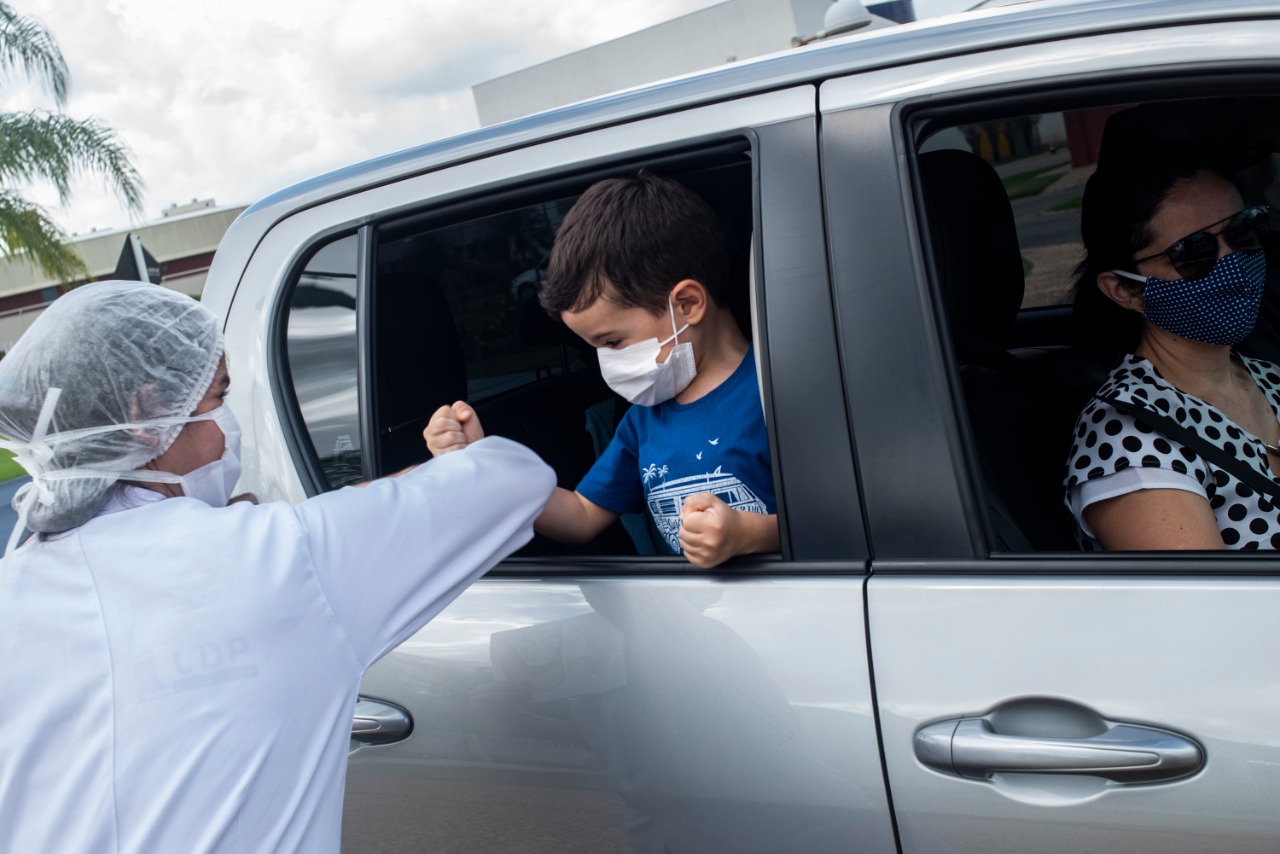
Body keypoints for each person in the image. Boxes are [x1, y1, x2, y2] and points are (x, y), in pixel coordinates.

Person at [0, 281, 555, 852]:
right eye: (218, 396)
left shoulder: (12, 590)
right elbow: (513, 478)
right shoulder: (278, 558)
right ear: (147, 414)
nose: (228, 425)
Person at [426, 172, 778, 568]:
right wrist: (482, 462)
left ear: (687, 305)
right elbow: (581, 514)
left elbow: (843, 519)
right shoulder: (643, 419)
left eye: (612, 343)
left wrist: (748, 535)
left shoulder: (775, 393)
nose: (605, 363)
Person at [1065, 144, 1279, 550]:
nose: (1232, 262)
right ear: (1124, 290)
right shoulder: (1128, 436)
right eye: (1193, 252)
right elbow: (1210, 610)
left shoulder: (1269, 376)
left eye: (1243, 229)